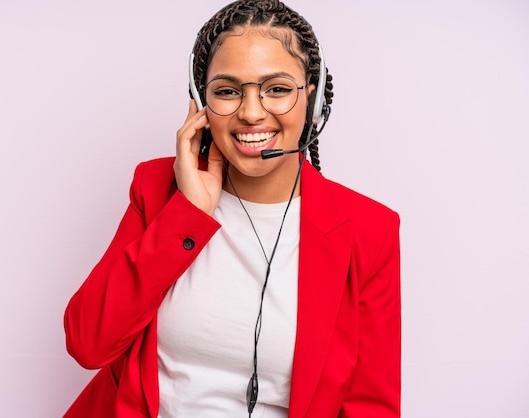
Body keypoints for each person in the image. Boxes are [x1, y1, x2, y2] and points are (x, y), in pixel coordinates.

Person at [63, 0, 401, 417]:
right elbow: (87, 342)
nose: (251, 113)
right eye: (227, 91)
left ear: (311, 102)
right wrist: (189, 214)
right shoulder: (156, 189)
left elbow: (371, 406)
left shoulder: (369, 230)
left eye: (276, 89)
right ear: (200, 102)